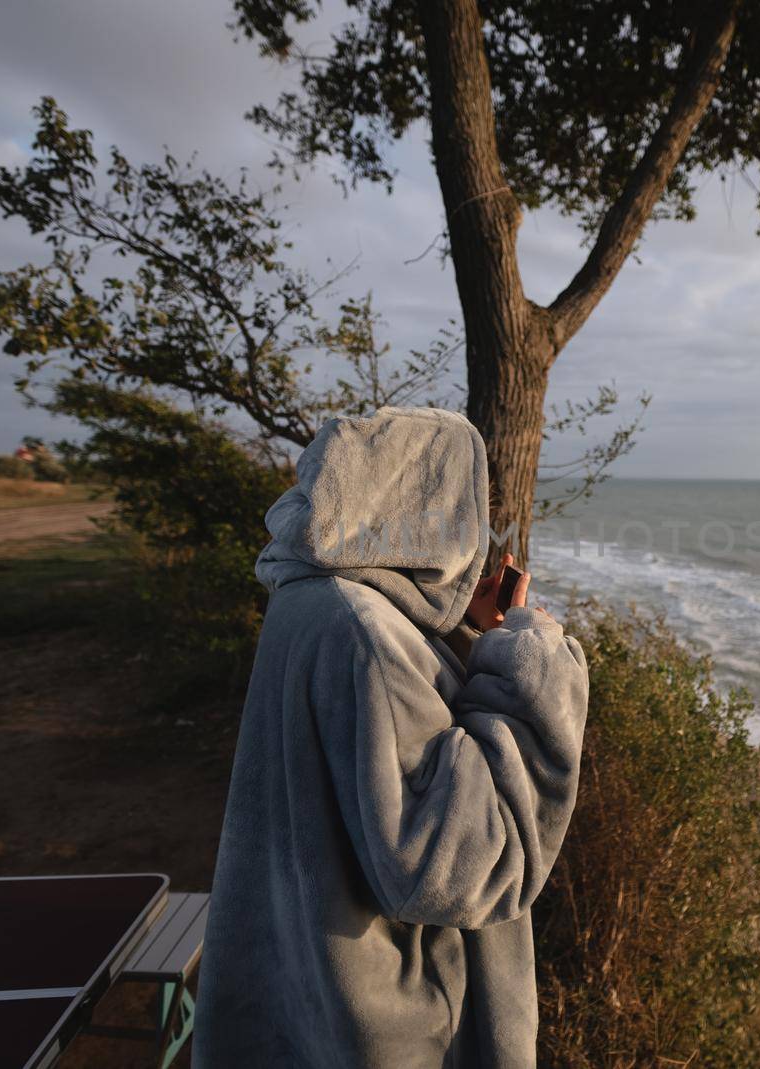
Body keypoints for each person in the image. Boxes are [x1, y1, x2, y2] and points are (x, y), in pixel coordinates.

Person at [195, 406, 590, 1068]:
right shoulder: (369, 636)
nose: (477, 525)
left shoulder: (310, 597)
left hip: (311, 986)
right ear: (425, 500)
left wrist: (462, 632)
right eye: (465, 501)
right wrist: (531, 661)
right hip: (401, 1028)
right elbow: (460, 865)